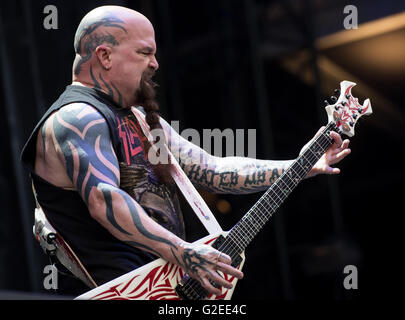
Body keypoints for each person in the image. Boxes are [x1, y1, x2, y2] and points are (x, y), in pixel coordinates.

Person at [21, 6, 351, 297]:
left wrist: (300, 166)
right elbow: (104, 201)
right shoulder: (77, 118)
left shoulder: (136, 117)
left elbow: (213, 170)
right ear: (105, 56)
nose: (155, 63)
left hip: (167, 287)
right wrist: (184, 252)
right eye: (144, 52)